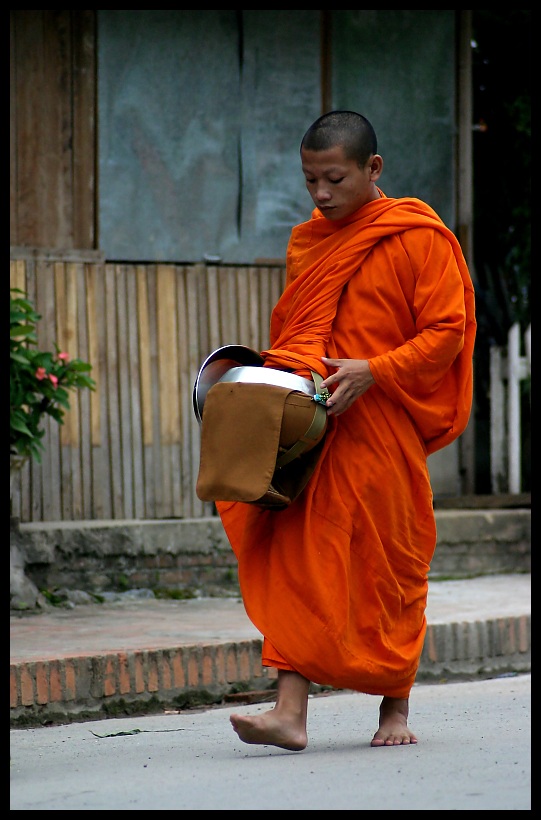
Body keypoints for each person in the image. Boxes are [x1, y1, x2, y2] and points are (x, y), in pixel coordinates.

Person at [215, 110, 476, 750]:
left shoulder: (419, 237)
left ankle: (394, 712)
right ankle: (290, 713)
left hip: (383, 427)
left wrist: (376, 371)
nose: (322, 194)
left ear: (372, 169)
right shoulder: (310, 240)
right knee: (297, 556)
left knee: (390, 564)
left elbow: (445, 332)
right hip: (317, 427)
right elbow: (301, 332)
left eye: (334, 178)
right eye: (311, 181)